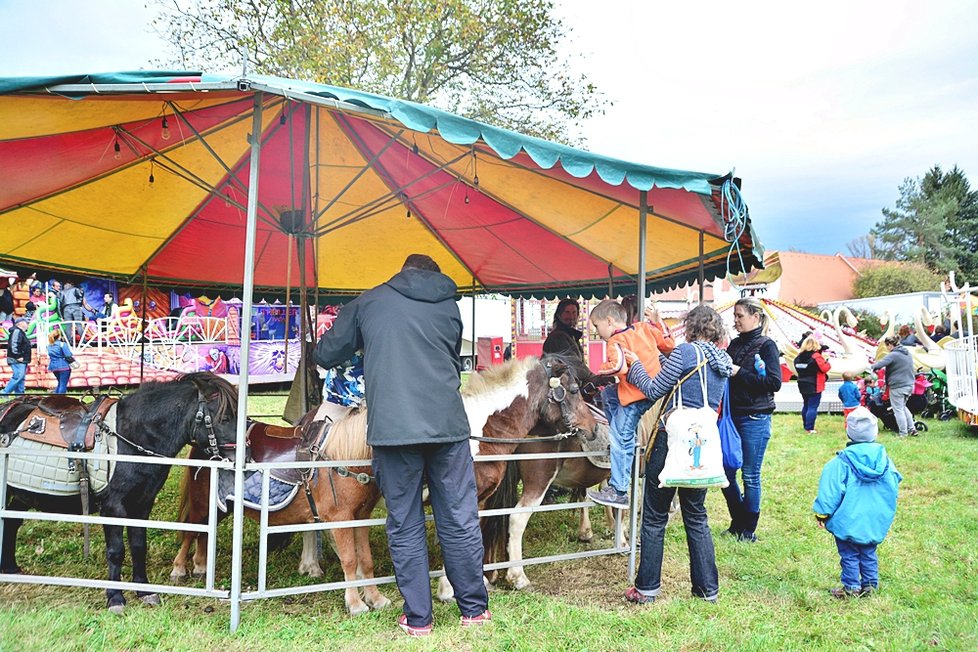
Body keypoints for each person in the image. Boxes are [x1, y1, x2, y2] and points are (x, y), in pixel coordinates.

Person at [313, 254, 489, 636]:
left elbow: (325, 353)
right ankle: (474, 610)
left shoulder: (369, 302)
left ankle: (419, 618)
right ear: (435, 276)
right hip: (448, 428)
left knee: (405, 521)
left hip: (394, 431)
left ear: (401, 272)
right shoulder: (450, 306)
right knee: (459, 517)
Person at [621, 304, 733, 604]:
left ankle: (646, 589)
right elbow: (683, 375)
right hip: (702, 443)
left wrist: (634, 367)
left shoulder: (686, 353)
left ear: (691, 326)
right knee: (696, 516)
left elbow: (655, 388)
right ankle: (707, 589)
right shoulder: (723, 360)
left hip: (672, 440)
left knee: (655, 516)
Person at [586, 299, 668, 508]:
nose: (597, 331)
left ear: (610, 321)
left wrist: (600, 371)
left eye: (597, 326)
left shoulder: (615, 341)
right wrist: (659, 324)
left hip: (635, 396)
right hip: (651, 389)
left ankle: (619, 490)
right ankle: (623, 433)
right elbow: (668, 345)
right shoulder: (644, 328)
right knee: (608, 395)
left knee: (619, 437)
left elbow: (619, 367)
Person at [813, 407, 901, 598]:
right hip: (874, 520)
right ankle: (870, 586)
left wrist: (822, 513)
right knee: (868, 552)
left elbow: (830, 491)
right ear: (875, 432)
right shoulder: (886, 462)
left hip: (847, 521)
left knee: (849, 554)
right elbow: (894, 484)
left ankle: (852, 587)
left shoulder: (839, 463)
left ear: (848, 431)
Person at [722, 296, 783, 542]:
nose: (736, 321)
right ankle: (738, 520)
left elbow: (774, 382)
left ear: (755, 317)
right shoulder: (734, 345)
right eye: (734, 316)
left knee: (749, 474)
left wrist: (740, 373)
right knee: (726, 473)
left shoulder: (767, 345)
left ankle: (748, 529)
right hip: (731, 417)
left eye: (740, 316)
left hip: (755, 417)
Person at [871, 335, 917, 437]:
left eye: (887, 346)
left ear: (891, 344)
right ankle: (912, 429)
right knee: (903, 407)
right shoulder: (907, 353)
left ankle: (903, 433)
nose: (887, 349)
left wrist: (871, 367)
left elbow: (880, 364)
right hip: (909, 385)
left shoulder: (894, 355)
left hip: (898, 386)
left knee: (898, 410)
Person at [793, 336, 832, 434]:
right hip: (814, 384)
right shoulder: (816, 357)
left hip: (802, 383)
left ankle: (806, 425)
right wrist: (827, 362)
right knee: (812, 406)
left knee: (806, 404)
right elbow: (825, 368)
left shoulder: (798, 357)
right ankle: (809, 428)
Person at [1, 317, 31, 395]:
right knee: (18, 376)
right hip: (17, 359)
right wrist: (18, 356)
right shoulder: (17, 331)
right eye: (26, 322)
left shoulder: (19, 332)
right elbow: (14, 344)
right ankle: (4, 392)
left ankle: (20, 395)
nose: (28, 324)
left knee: (21, 378)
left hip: (20, 358)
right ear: (20, 323)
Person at [46, 328, 73, 394]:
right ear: (59, 336)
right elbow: (68, 355)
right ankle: (60, 399)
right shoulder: (62, 344)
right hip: (63, 366)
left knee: (60, 382)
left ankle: (56, 397)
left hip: (53, 366)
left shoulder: (49, 346)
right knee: (63, 384)